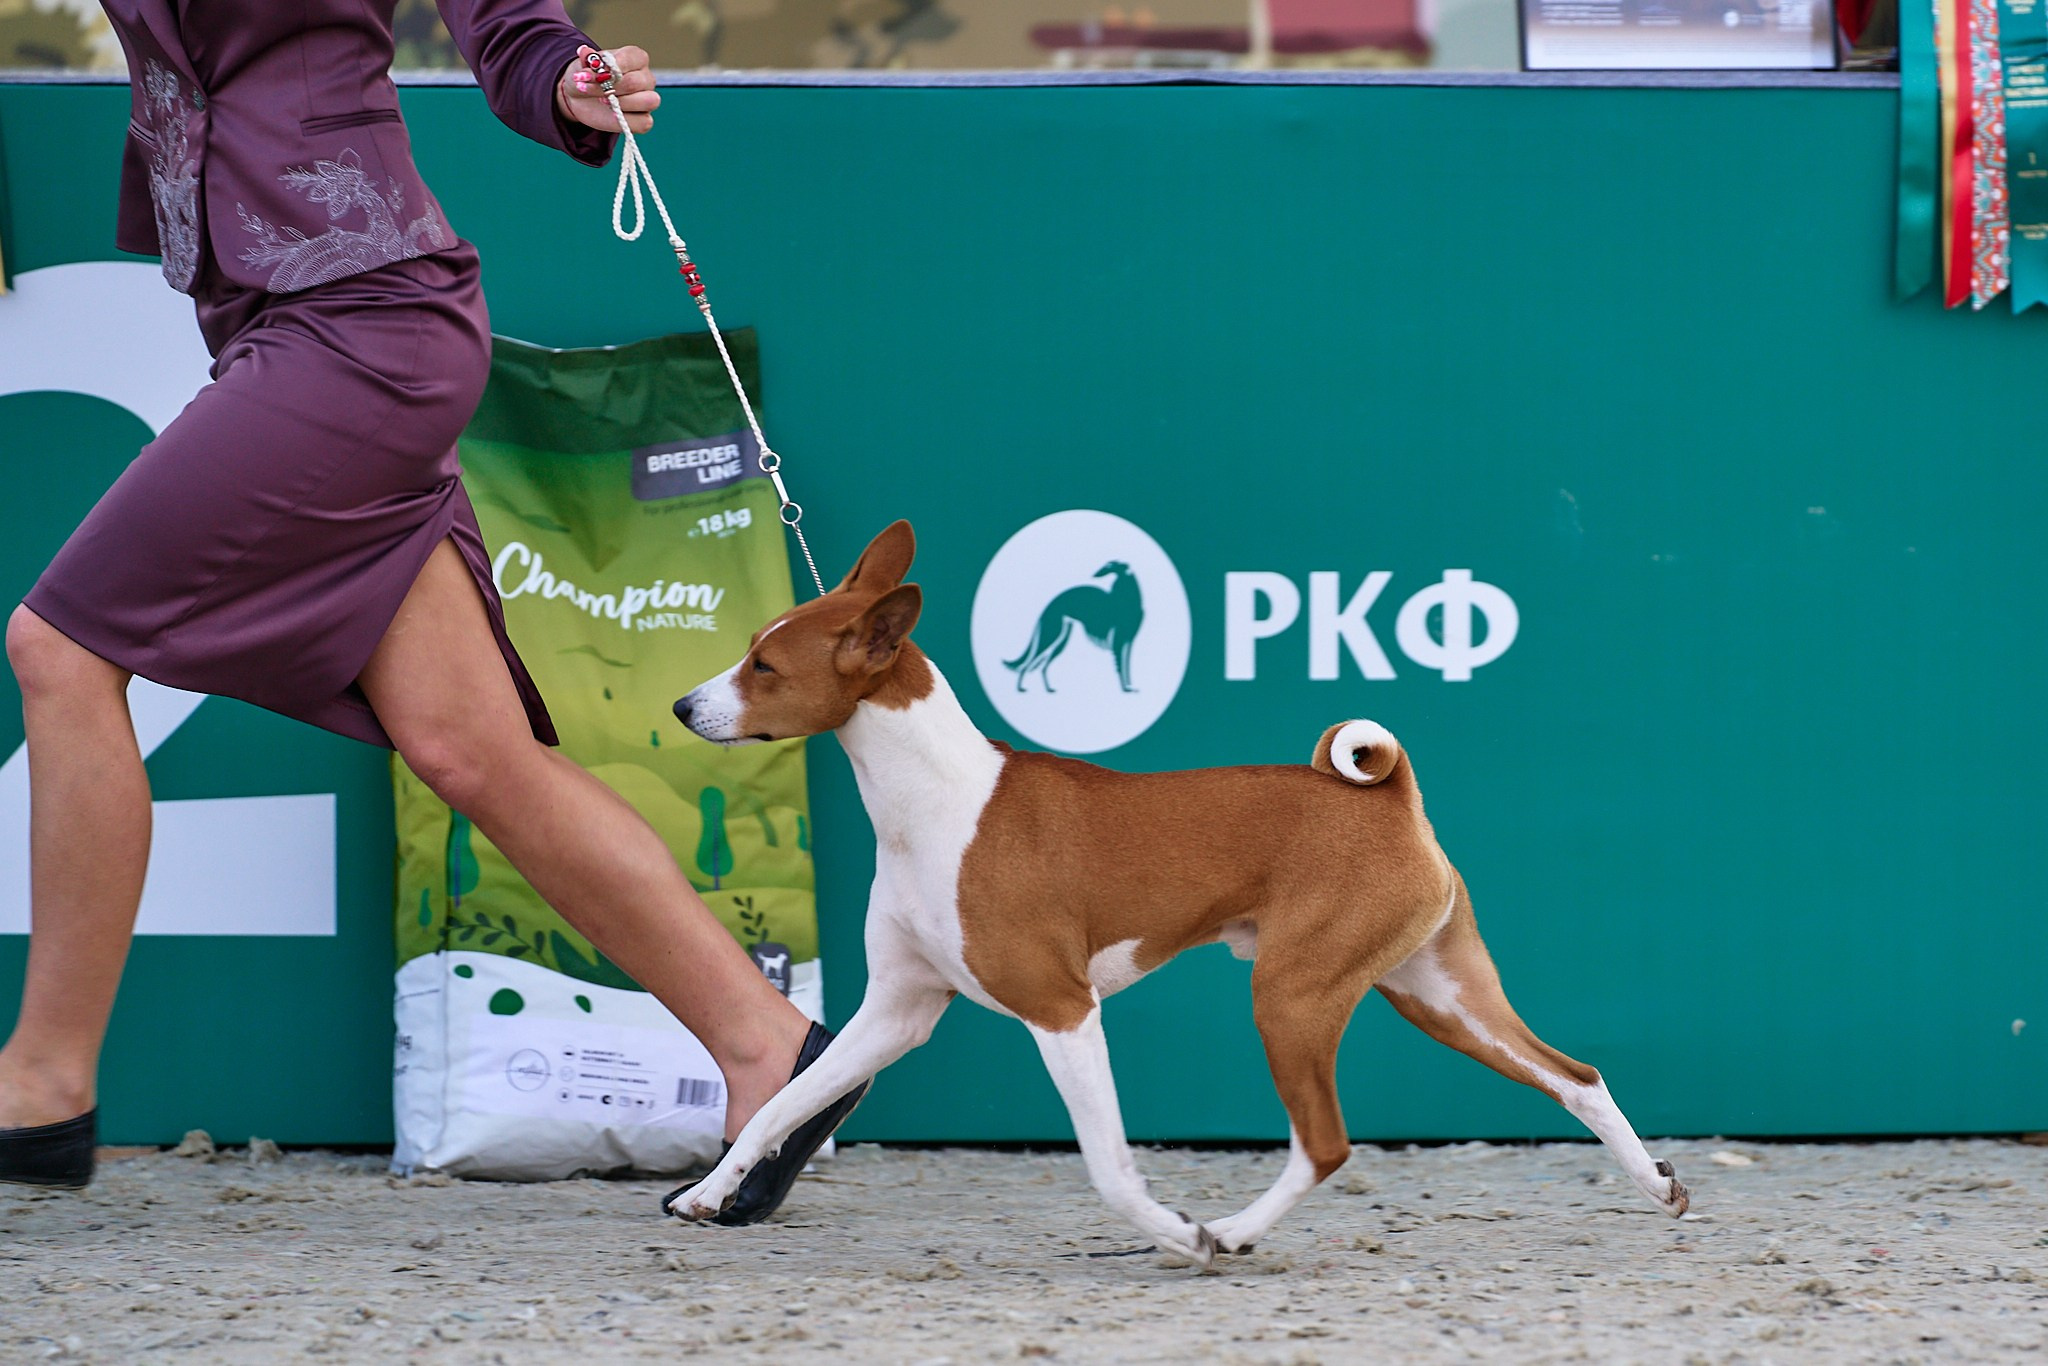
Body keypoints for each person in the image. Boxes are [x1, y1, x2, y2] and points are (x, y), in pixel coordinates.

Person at [0, 0, 862, 1223]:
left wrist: (563, 74)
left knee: (61, 646)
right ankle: (764, 1042)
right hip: (268, 310)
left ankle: (41, 1081)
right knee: (473, 750)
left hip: (363, 319)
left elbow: (503, 17)